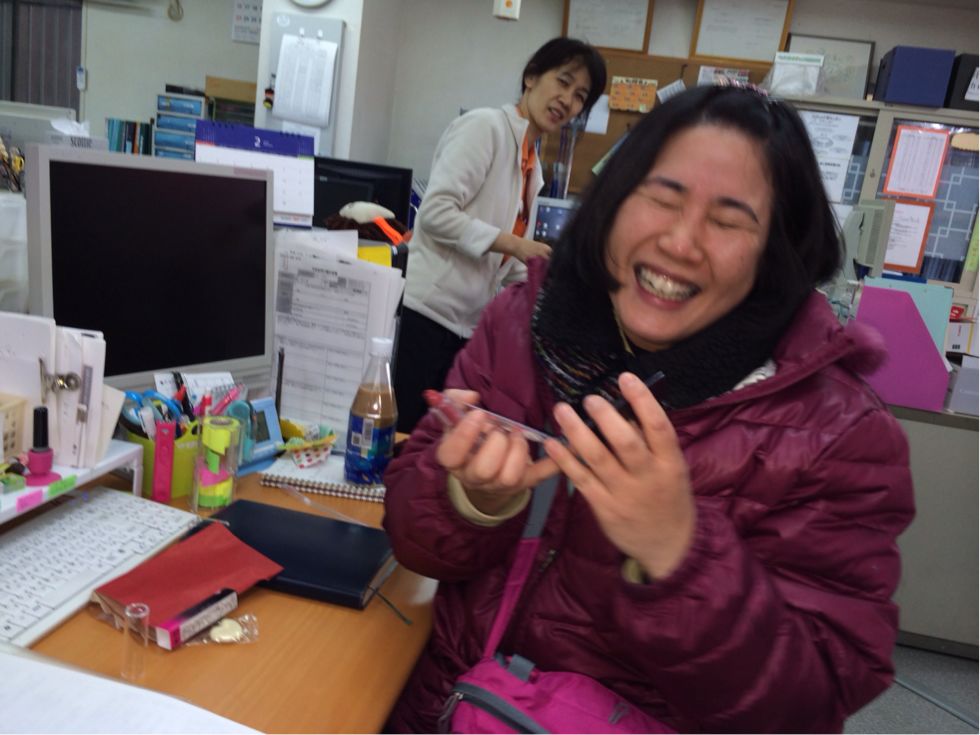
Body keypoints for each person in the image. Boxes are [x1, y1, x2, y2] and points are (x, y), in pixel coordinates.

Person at [383, 83, 915, 733]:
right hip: (451, 710)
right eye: (661, 198)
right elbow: (411, 539)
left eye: (729, 221)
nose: (680, 242)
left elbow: (809, 700)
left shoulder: (839, 433)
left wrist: (677, 552)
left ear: (774, 250)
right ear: (613, 202)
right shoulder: (521, 323)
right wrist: (472, 499)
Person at [394, 37, 607, 433]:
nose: (567, 101)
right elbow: (436, 214)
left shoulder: (531, 165)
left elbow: (504, 266)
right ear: (531, 77)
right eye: (562, 82)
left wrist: (553, 285)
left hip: (467, 330)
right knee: (407, 439)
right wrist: (517, 245)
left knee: (441, 446)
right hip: (425, 318)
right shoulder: (485, 127)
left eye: (580, 96)